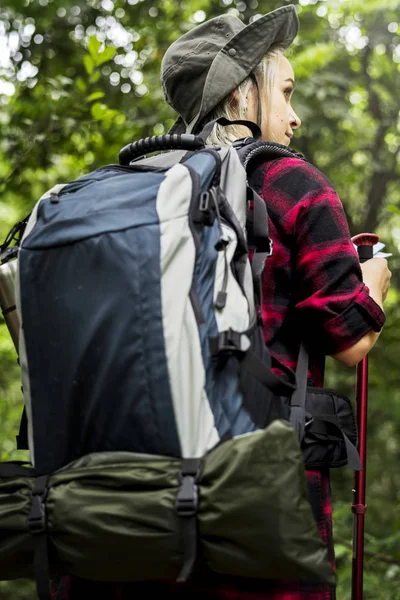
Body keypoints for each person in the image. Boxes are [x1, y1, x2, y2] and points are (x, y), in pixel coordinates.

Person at [52, 5, 391, 599]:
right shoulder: (290, 183)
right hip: (256, 518)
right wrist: (376, 286)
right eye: (284, 93)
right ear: (241, 97)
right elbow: (351, 341)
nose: (295, 117)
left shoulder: (137, 194)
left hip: (126, 516)